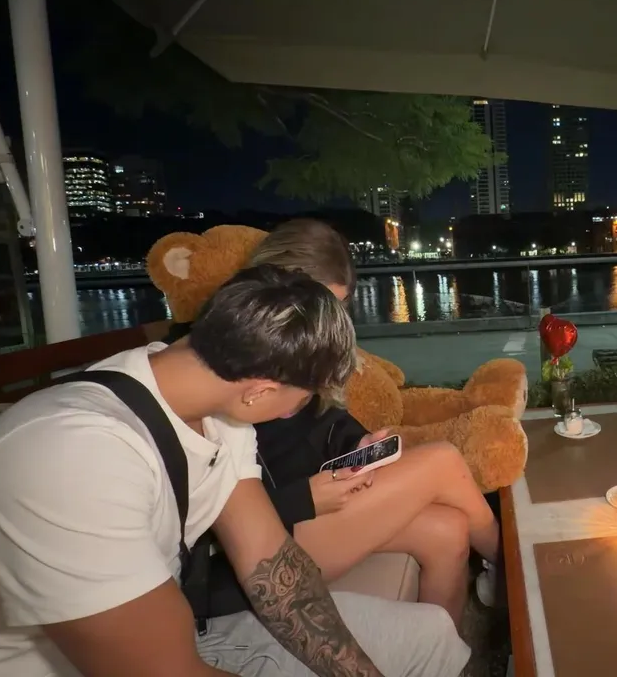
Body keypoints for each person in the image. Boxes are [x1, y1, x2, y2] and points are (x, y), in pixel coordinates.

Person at [0, 265, 470, 677]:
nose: (301, 409)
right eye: (303, 396)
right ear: (259, 390)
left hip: (173, 642)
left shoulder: (215, 410)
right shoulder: (72, 456)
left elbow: (274, 571)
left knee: (430, 638)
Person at [169, 219, 500, 632]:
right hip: (244, 556)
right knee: (442, 461)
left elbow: (321, 419)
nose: (328, 322)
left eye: (338, 308)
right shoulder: (222, 360)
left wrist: (356, 444)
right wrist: (303, 499)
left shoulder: (286, 347)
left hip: (304, 509)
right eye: (321, 303)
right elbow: (210, 515)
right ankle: (513, 569)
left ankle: (445, 651)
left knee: (447, 530)